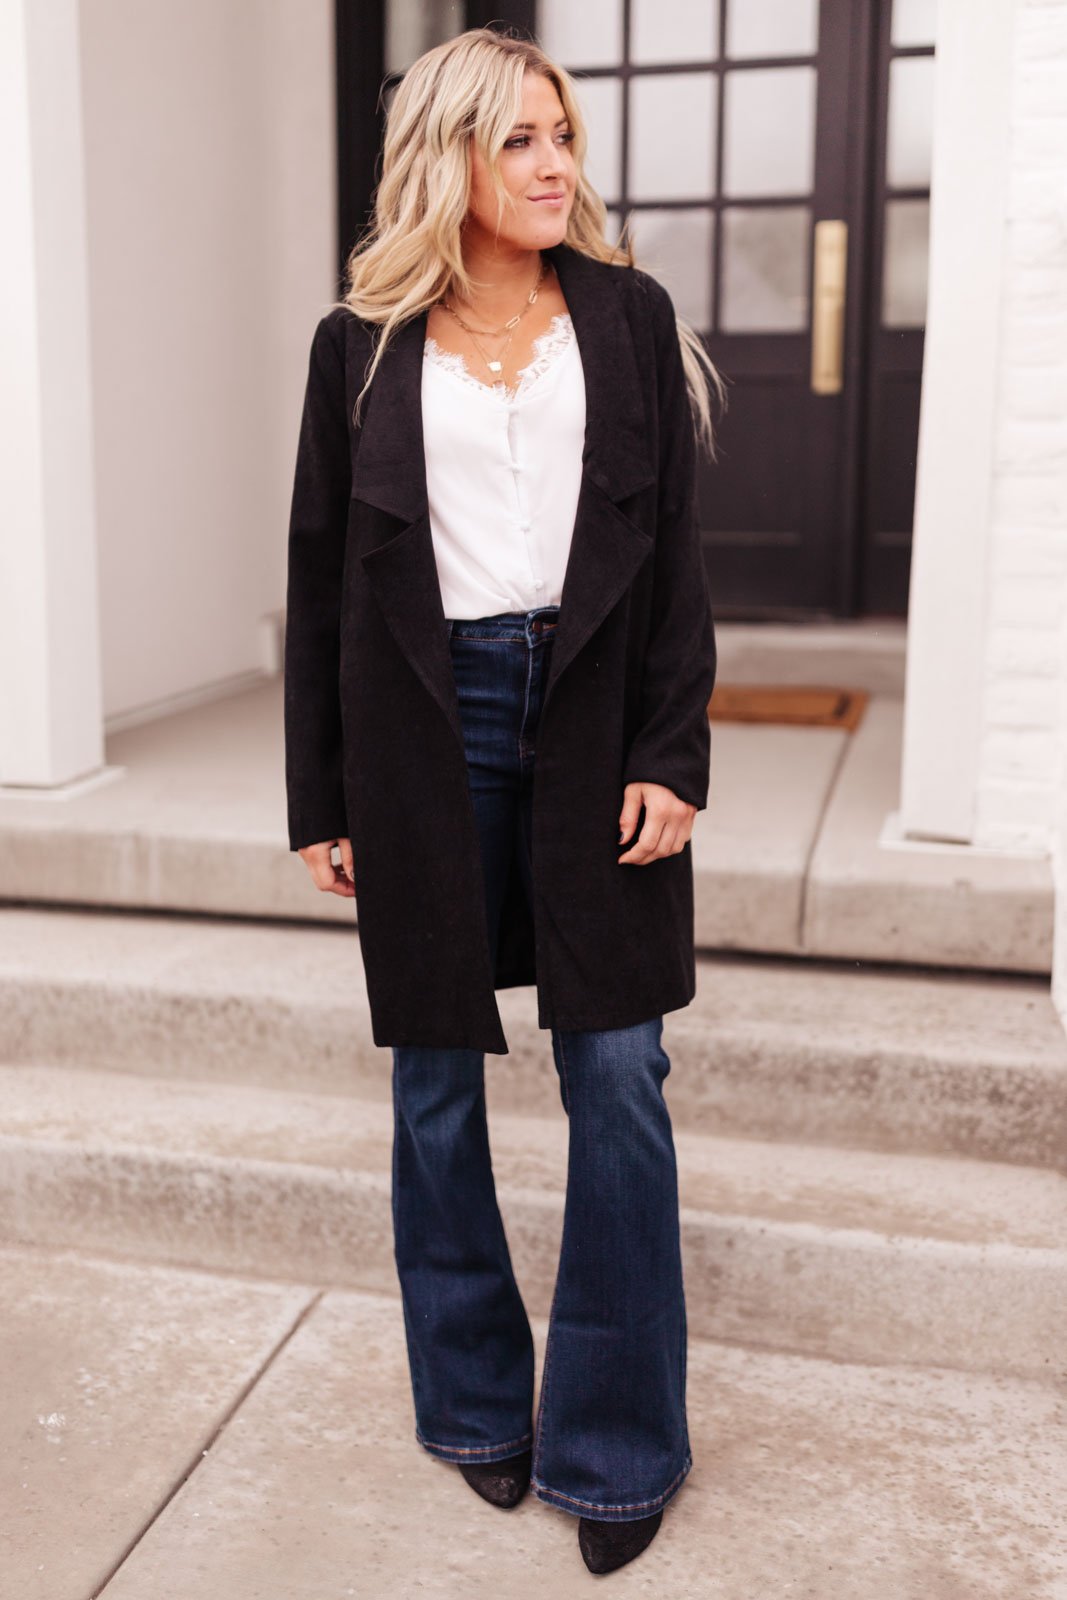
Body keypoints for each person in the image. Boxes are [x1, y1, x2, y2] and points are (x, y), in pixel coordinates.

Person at [284, 26, 723, 1577]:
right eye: (519, 139)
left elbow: (672, 562)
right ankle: (475, 1404)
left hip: (597, 715)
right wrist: (322, 795)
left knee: (620, 1075)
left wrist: (673, 753)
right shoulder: (360, 344)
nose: (554, 166)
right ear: (449, 158)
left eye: (563, 136)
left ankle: (618, 1443)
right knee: (434, 1081)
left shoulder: (624, 316)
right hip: (428, 725)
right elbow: (323, 575)